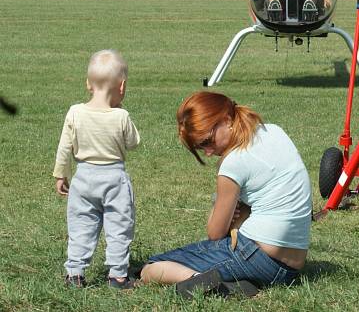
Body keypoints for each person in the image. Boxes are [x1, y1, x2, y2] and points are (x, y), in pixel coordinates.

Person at [141, 91, 312, 298]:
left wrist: (217, 201)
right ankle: (235, 282)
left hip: (256, 255)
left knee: (152, 268)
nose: (208, 152)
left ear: (227, 119)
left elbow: (215, 233)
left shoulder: (234, 162)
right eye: (200, 147)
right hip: (291, 267)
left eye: (207, 141)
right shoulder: (273, 131)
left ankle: (213, 284)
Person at [53, 49, 140, 289]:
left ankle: (75, 273)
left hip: (83, 178)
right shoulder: (121, 116)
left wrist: (61, 174)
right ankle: (118, 275)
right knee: (119, 226)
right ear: (121, 87)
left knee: (81, 225)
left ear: (88, 84)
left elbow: (64, 148)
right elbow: (134, 143)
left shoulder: (75, 112)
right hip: (114, 180)